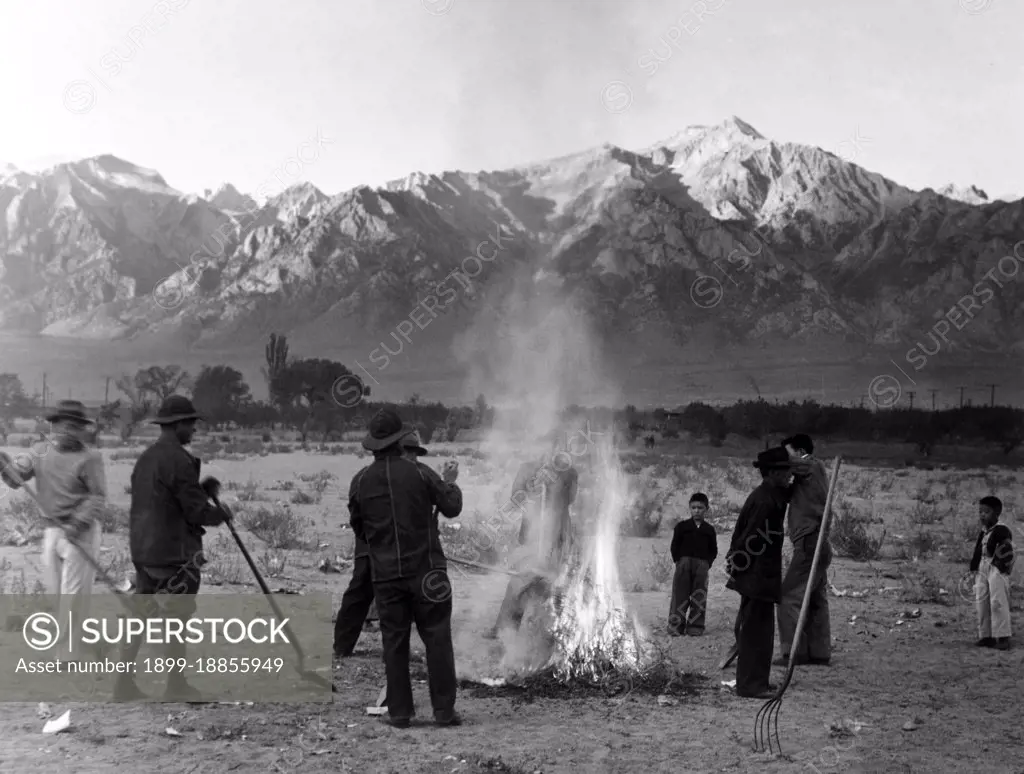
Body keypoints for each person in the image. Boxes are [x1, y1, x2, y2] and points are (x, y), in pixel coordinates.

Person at [112, 395, 233, 702]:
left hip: (143, 549)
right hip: (173, 553)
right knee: (176, 619)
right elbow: (195, 512)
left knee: (141, 614)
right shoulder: (178, 460)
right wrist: (222, 512)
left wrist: (200, 489)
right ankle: (176, 686)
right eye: (190, 423)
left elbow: (163, 498)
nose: (194, 429)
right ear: (177, 424)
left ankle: (123, 685)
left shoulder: (147, 457)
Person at [348, 409, 463, 728]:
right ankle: (444, 711)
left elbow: (359, 529)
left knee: (394, 642)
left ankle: (399, 712)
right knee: (438, 639)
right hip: (428, 573)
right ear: (399, 441)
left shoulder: (360, 482)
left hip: (386, 576)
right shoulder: (421, 473)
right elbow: (451, 507)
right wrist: (450, 484)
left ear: (373, 446)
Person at [0, 400, 107, 662]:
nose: (70, 432)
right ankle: (88, 644)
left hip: (80, 532)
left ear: (83, 430)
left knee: (73, 596)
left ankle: (66, 657)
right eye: (65, 426)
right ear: (53, 426)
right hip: (52, 531)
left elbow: (97, 497)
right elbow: (17, 478)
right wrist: (3, 465)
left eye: (76, 427)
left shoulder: (90, 458)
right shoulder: (39, 452)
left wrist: (76, 524)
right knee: (59, 595)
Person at [333, 430, 428, 658]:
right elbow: (356, 513)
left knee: (407, 596)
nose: (413, 458)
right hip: (372, 544)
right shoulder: (366, 476)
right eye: (409, 453)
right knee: (360, 590)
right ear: (396, 450)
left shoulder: (419, 475)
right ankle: (342, 647)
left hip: (403, 547)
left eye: (415, 454)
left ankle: (403, 651)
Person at [485, 431, 578, 639]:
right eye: (549, 445)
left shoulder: (569, 472)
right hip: (531, 533)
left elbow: (570, 499)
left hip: (558, 534)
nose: (552, 450)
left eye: (557, 446)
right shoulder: (528, 469)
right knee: (520, 580)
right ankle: (504, 628)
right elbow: (515, 498)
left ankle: (555, 631)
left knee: (556, 580)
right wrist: (534, 486)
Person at [726, 447, 791, 699]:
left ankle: (758, 681)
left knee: (762, 631)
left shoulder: (772, 494)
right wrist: (741, 570)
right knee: (754, 632)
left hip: (760, 576)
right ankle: (750, 686)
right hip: (756, 576)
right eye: (785, 472)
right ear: (773, 473)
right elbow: (748, 540)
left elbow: (792, 491)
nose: (790, 476)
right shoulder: (764, 501)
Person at [775, 434, 832, 667]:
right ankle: (819, 652)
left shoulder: (811, 465)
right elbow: (790, 494)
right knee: (816, 598)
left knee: (787, 596)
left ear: (800, 452)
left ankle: (793, 652)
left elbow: (787, 464)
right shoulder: (808, 477)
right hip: (818, 543)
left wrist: (772, 460)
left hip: (810, 543)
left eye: (788, 452)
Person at [668, 492, 718, 636]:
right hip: (683, 564)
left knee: (699, 596)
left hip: (702, 566)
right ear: (689, 508)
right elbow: (674, 546)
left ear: (706, 509)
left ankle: (695, 626)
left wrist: (707, 563)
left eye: (700, 508)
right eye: (694, 507)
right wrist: (679, 561)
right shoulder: (682, 527)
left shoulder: (709, 530)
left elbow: (713, 550)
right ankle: (675, 626)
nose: (697, 511)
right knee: (680, 595)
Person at [970, 496, 1014, 650]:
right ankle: (986, 635)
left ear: (997, 513)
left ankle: (1003, 636)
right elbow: (977, 550)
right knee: (981, 601)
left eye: (986, 512)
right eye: (980, 512)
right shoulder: (984, 532)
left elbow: (1007, 549)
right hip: (982, 567)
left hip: (996, 567)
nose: (982, 515)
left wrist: (1001, 568)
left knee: (997, 601)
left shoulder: (1002, 530)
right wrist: (973, 568)